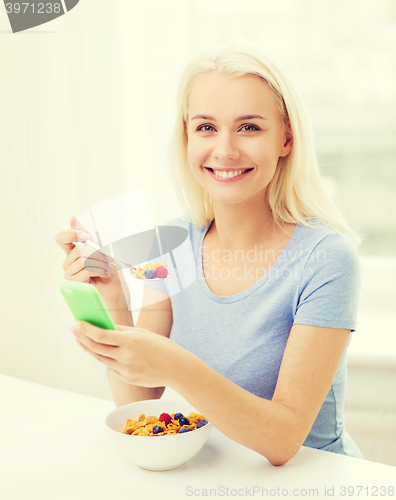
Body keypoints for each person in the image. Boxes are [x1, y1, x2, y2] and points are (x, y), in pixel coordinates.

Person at [55, 41, 364, 466]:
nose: (225, 150)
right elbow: (139, 402)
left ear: (286, 139)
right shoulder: (171, 242)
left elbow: (283, 440)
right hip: (216, 470)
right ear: (186, 137)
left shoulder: (327, 257)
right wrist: (113, 303)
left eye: (250, 127)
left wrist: (180, 368)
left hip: (313, 481)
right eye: (206, 127)